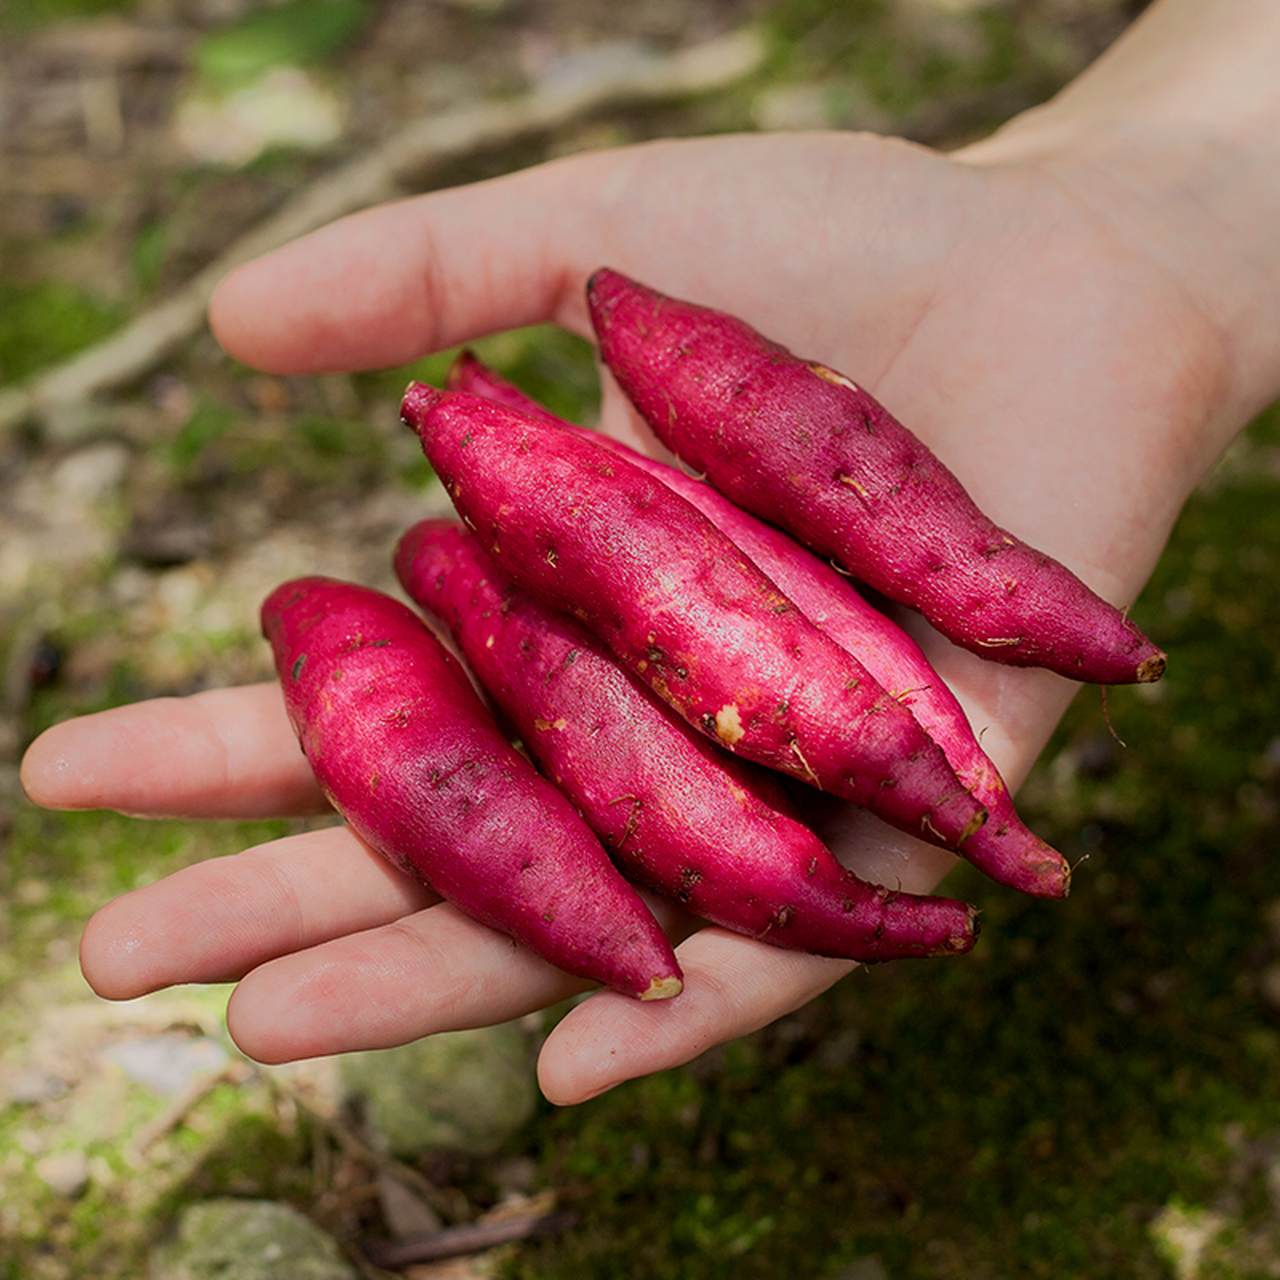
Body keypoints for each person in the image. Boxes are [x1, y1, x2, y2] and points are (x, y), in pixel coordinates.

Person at [19, 0, 1280, 1105]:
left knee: (797, 665)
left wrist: (1143, 222)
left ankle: (970, 838)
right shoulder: (492, 519)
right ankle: (959, 850)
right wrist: (1144, 206)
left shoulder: (563, 446)